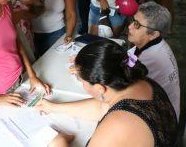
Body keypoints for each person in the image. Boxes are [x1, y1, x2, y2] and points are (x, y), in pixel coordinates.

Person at [37, 39, 178, 146]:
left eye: (81, 80)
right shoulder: (141, 83)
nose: (82, 84)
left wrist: (59, 142)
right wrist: (54, 107)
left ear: (100, 88)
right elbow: (102, 107)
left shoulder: (119, 124)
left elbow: (114, 115)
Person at [127, 2, 180, 118]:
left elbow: (123, 87)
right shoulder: (154, 43)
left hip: (160, 118)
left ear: (154, 34)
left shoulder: (150, 59)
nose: (130, 26)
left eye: (137, 25)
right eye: (133, 20)